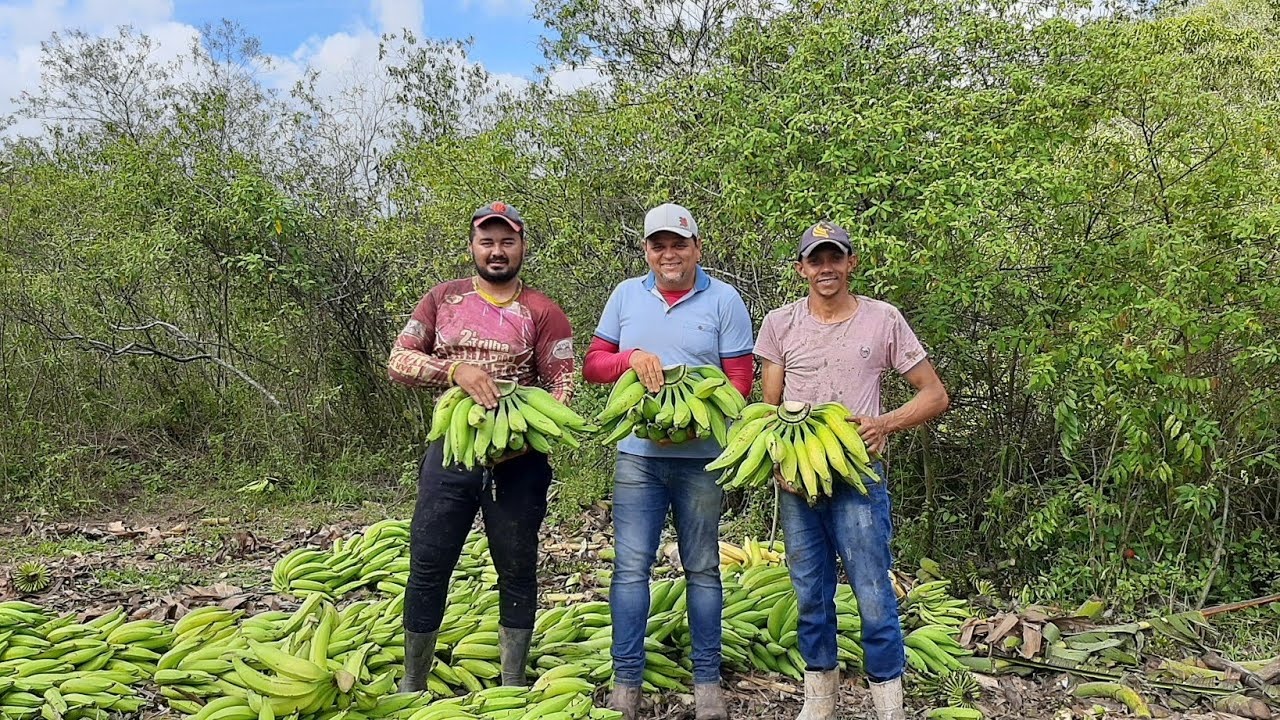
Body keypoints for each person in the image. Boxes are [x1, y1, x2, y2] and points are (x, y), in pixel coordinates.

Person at [753, 221, 949, 720]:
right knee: (809, 594)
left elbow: (934, 394)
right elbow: (769, 409)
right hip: (797, 483)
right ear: (801, 269)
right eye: (815, 260)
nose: (826, 268)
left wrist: (886, 423)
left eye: (834, 258)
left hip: (859, 477)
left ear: (850, 263)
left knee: (873, 592)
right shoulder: (780, 324)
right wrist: (776, 462)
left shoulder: (883, 319)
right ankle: (819, 701)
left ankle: (888, 704)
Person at [387, 201, 575, 691]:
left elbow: (562, 386)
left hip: (519, 461)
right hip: (451, 451)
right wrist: (455, 371)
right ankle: (413, 681)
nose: (497, 251)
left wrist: (526, 435)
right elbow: (399, 360)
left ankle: (512, 683)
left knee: (517, 566)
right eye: (487, 241)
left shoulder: (543, 311)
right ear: (472, 246)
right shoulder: (442, 300)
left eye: (507, 241)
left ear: (522, 247)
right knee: (429, 561)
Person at [583, 203, 754, 720]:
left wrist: (703, 417)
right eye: (658, 245)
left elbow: (739, 379)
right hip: (639, 458)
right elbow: (594, 365)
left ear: (697, 247)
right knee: (630, 569)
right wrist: (631, 358)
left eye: (679, 244)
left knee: (702, 568)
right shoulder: (626, 296)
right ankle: (626, 682)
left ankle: (707, 682)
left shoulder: (724, 299)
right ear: (646, 251)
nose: (669, 253)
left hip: (701, 459)